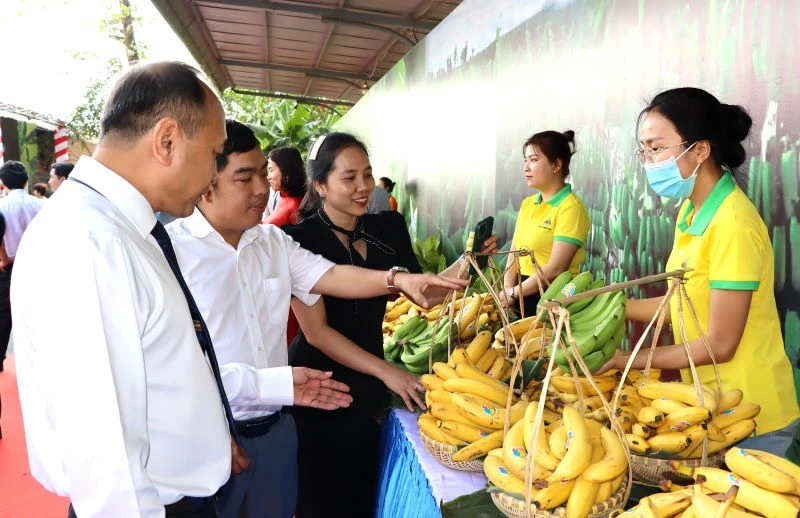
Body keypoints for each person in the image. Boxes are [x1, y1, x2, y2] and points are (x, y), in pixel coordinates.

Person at [166, 121, 462, 518]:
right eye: (245, 177)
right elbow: (169, 367)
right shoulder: (171, 255)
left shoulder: (273, 242)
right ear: (206, 180)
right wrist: (213, 427)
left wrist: (398, 278)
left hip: (277, 425)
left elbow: (333, 276)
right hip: (214, 434)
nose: (263, 188)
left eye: (262, 173)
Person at [13, 61, 248, 517]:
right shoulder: (91, 241)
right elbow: (106, 459)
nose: (214, 174)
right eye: (215, 154)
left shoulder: (119, 227)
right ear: (167, 141)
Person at [283, 132, 496, 518]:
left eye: (368, 174)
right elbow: (317, 332)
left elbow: (424, 294)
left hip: (368, 386)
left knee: (362, 491)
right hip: (319, 384)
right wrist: (388, 372)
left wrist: (470, 261)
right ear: (320, 184)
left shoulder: (388, 228)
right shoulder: (299, 241)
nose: (364, 187)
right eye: (349, 178)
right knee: (321, 498)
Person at [599, 87, 800, 456]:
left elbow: (721, 343)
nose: (648, 160)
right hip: (711, 408)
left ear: (700, 150)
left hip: (755, 415)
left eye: (657, 149)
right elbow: (683, 302)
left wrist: (628, 361)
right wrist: (610, 306)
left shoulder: (733, 224)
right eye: (643, 150)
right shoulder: (690, 212)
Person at [500, 130, 589, 315]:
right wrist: (507, 289)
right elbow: (515, 251)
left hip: (553, 297)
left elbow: (556, 268)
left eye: (533, 160)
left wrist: (515, 292)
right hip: (518, 295)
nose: (526, 167)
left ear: (556, 165)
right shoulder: (528, 204)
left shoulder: (570, 208)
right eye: (525, 160)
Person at [0, 160, 43, 372]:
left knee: (4, 314)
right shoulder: (40, 204)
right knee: (39, 310)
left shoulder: (2, 207)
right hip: (38, 264)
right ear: (26, 180)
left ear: (2, 183)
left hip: (7, 265)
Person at [264, 146, 306, 227]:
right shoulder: (282, 197)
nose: (268, 177)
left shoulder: (296, 207)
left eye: (271, 170)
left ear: (286, 172)